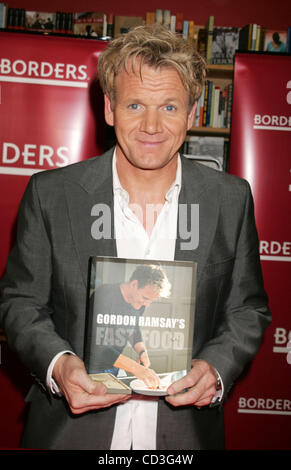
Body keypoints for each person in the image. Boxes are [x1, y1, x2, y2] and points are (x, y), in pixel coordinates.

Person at [0, 25, 271, 450]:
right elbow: (20, 302)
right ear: (109, 108)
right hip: (70, 435)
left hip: (185, 439)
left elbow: (248, 309)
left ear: (192, 113)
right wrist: (59, 365)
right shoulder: (52, 194)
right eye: (134, 104)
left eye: (168, 106)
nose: (151, 125)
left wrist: (215, 369)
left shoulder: (230, 199)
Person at [85, 264, 171, 390]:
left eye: (150, 301)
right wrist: (136, 369)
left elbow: (133, 327)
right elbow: (99, 346)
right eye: (145, 298)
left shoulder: (139, 304)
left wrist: (142, 351)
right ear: (134, 284)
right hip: (92, 368)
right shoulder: (104, 296)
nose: (146, 305)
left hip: (115, 366)